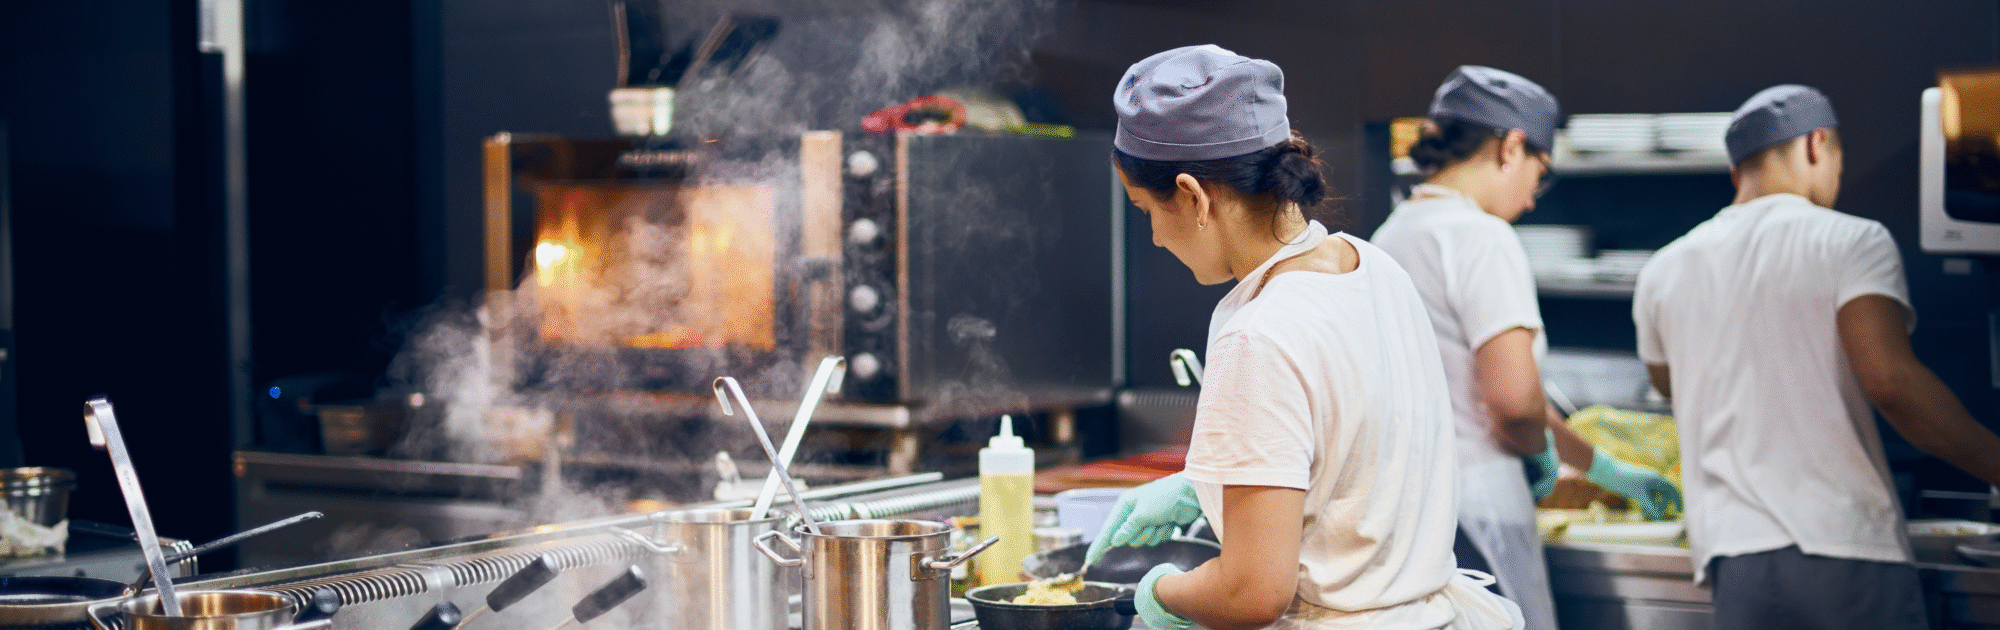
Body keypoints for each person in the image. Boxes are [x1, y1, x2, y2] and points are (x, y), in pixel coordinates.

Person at [1083, 45, 1523, 630]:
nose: (1157, 239)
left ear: (1192, 196)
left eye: (1146, 211)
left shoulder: (1258, 336)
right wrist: (1208, 482)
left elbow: (1251, 591)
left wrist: (1156, 593)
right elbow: (1356, 451)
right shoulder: (1374, 269)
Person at [1633, 84, 2000, 630]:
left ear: (1737, 174)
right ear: (1816, 144)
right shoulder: (1850, 240)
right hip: (1845, 553)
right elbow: (1891, 382)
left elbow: (1669, 386)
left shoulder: (1663, 269)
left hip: (1735, 564)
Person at [1369, 66, 1682, 630]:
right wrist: (1535, 448)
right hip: (1479, 509)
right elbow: (1513, 404)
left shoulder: (1390, 237)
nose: (1534, 199)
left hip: (1405, 511)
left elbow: (1494, 394)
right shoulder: (1481, 237)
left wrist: (1600, 466)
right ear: (1512, 146)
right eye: (1540, 172)